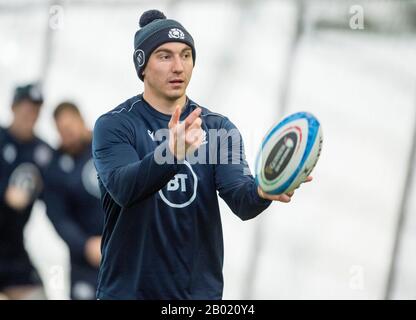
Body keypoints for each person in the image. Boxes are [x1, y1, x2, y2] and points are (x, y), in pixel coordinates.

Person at [92, 9, 312, 300]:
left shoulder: (218, 127)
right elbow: (124, 188)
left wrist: (266, 189)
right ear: (142, 66)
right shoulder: (115, 125)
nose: (179, 67)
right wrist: (171, 153)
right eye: (165, 56)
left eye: (185, 55)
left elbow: (242, 201)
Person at [43, 102, 103, 300]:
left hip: (127, 250)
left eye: (70, 128)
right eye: (61, 131)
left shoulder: (109, 145)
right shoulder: (55, 167)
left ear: (81, 120)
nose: (67, 135)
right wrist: (85, 246)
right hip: (85, 263)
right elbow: (58, 217)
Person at [0, 83, 52, 299]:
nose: (31, 114)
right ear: (13, 107)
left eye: (36, 109)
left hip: (13, 248)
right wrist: (4, 192)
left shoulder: (43, 151)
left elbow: (60, 192)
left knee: (37, 295)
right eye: (26, 107)